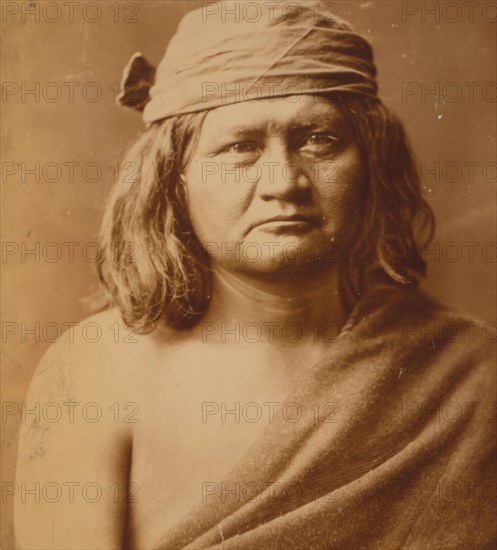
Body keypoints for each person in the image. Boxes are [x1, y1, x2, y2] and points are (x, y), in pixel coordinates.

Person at [15, 1, 495, 548]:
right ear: (174, 178)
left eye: (319, 140)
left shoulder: (472, 371)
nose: (284, 182)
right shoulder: (93, 375)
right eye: (240, 147)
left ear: (373, 164)